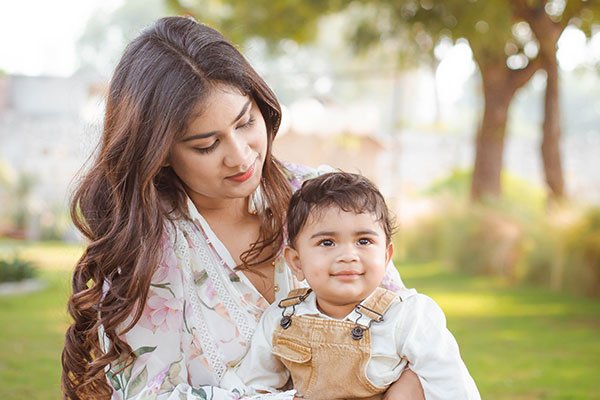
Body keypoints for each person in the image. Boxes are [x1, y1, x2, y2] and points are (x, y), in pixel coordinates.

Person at [61, 16, 425, 400]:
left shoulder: (322, 197)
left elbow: (409, 332)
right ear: (160, 152)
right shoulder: (146, 249)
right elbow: (147, 395)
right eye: (206, 145)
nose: (240, 156)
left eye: (245, 122)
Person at [221, 172, 480, 400]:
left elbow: (451, 386)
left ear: (386, 256)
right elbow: (250, 386)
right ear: (297, 261)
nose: (348, 255)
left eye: (364, 241)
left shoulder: (408, 316)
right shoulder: (282, 319)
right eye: (327, 243)